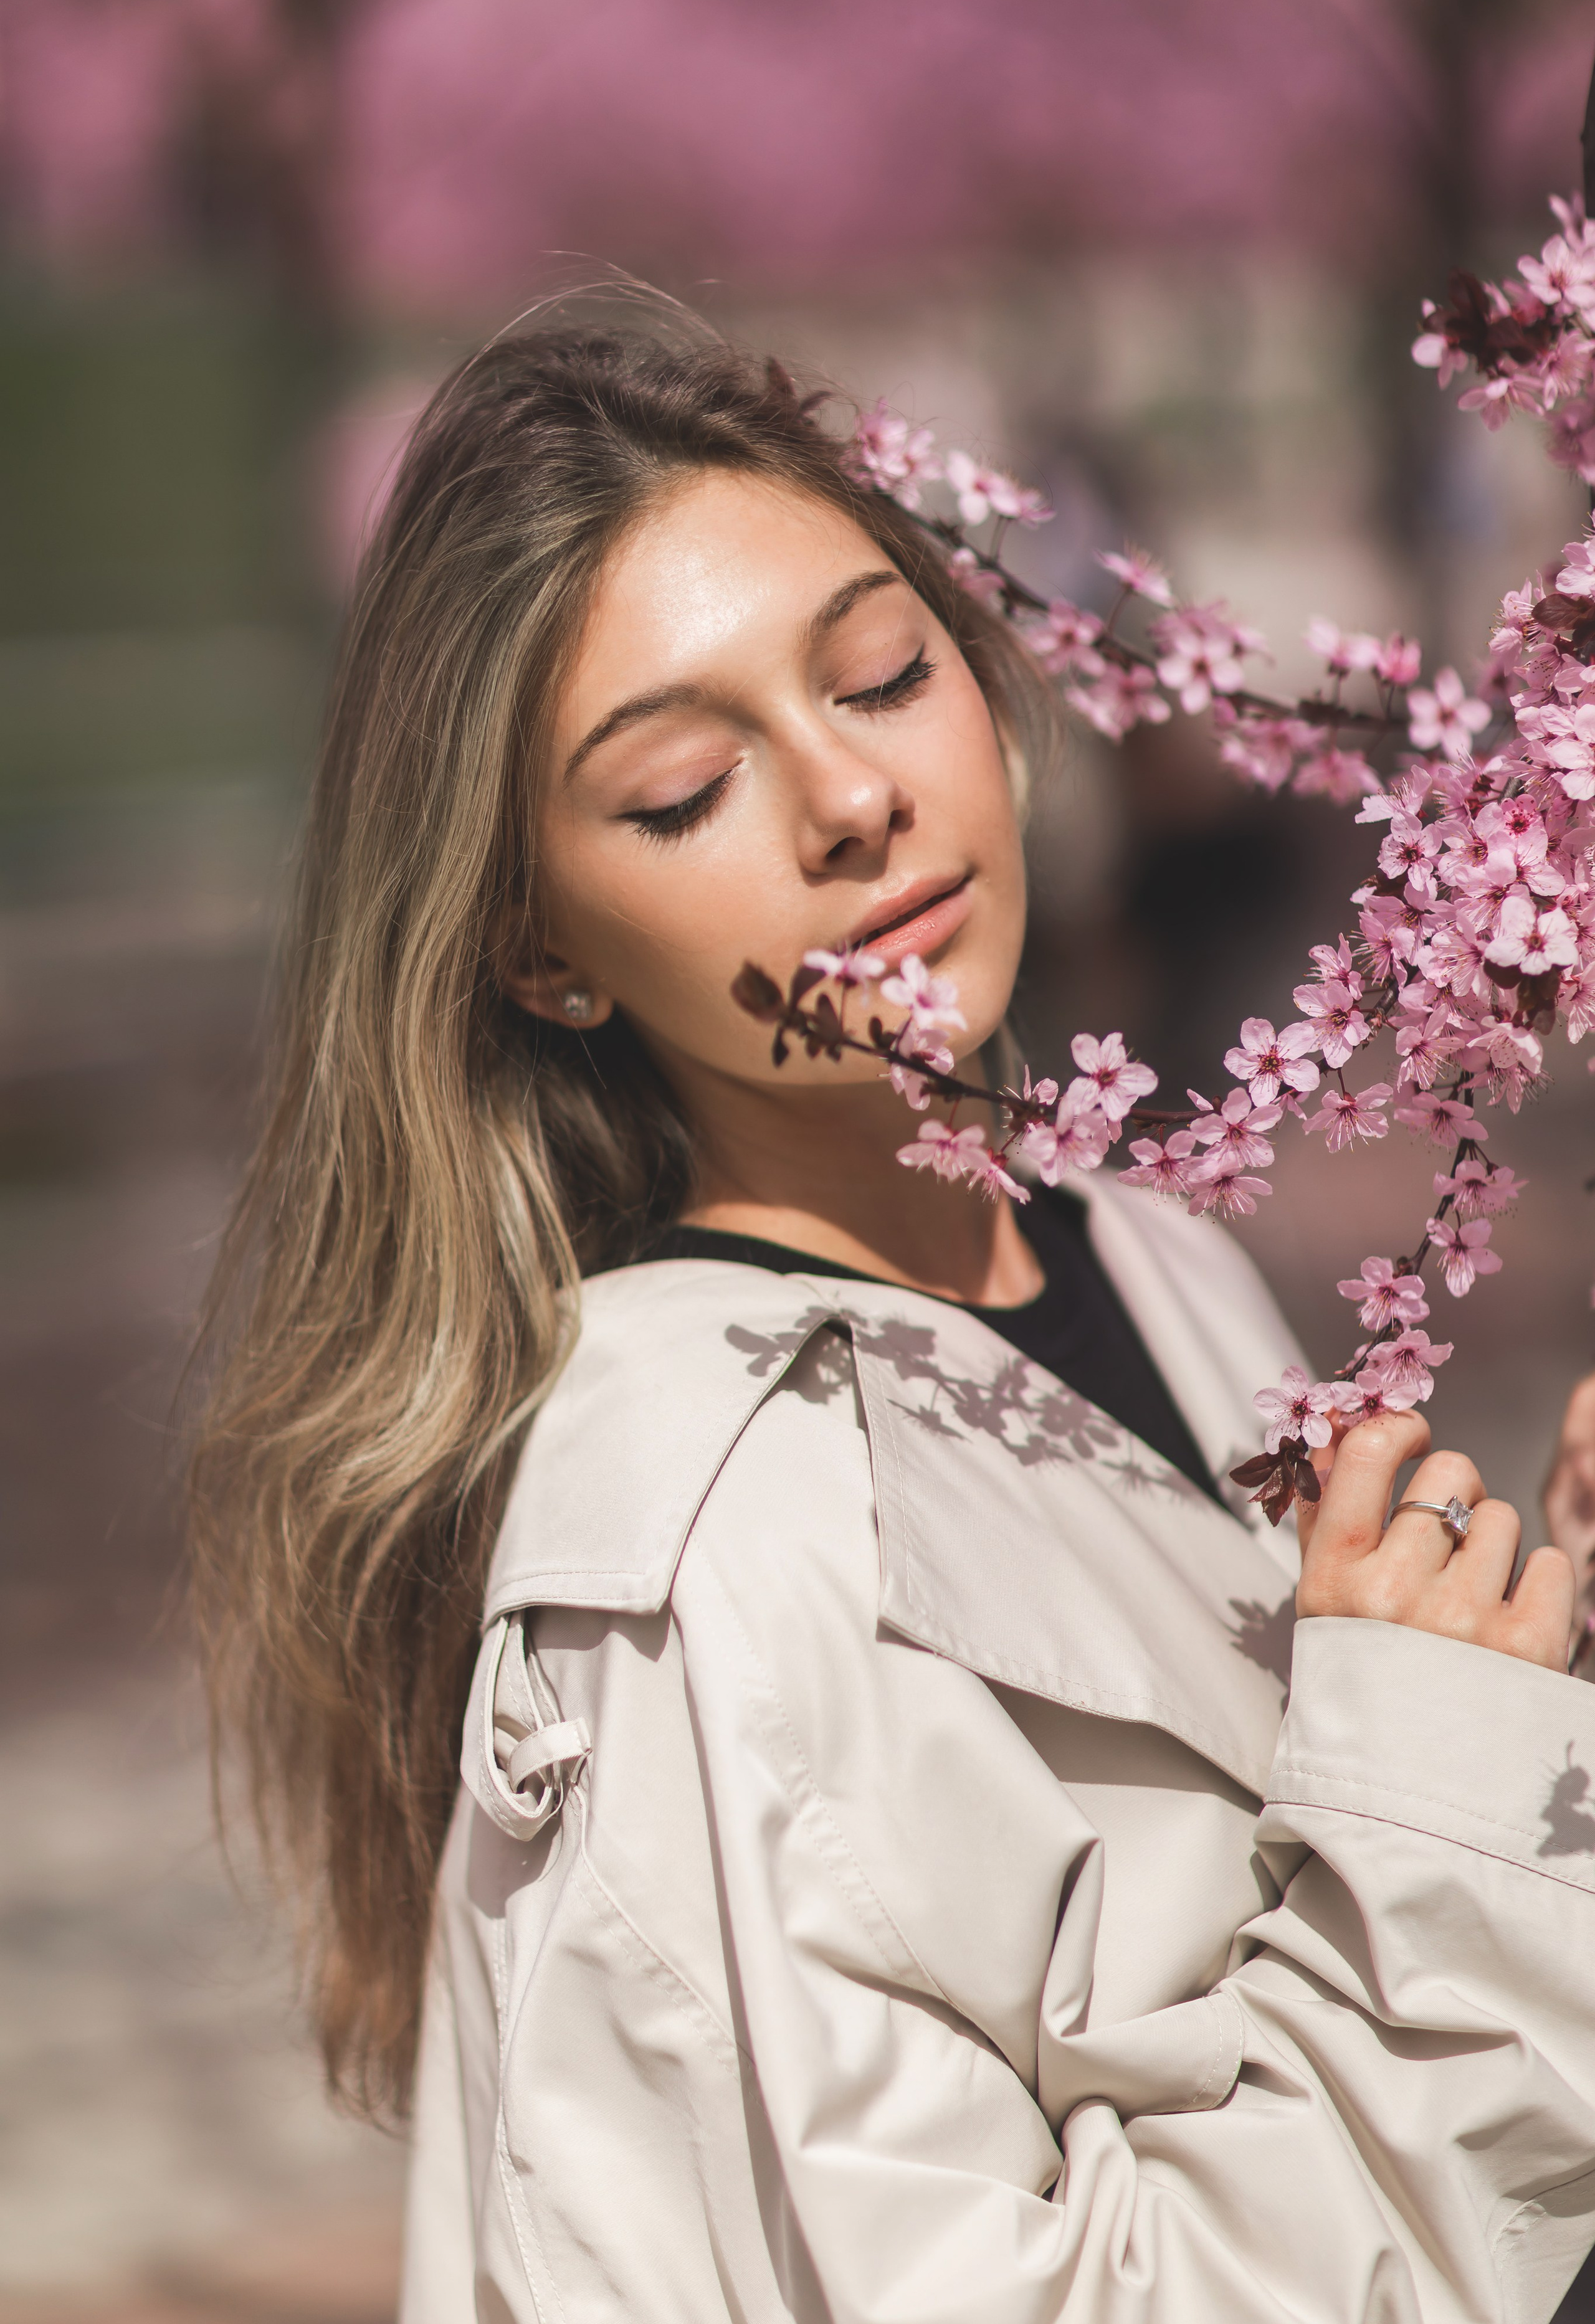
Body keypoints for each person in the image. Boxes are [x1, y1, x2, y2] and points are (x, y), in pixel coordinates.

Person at [189, 325, 1595, 2323]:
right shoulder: (703, 1569)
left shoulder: (1134, 1242)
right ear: (539, 950)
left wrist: (1535, 1675)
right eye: (685, 789)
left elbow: (1271, 1901)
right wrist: (1440, 1790)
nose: (851, 795)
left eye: (878, 675)